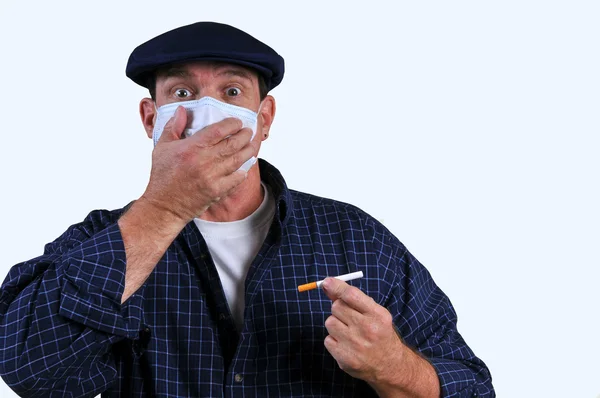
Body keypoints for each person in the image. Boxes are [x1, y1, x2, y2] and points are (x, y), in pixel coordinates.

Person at [0, 22, 494, 397]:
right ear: (151, 119)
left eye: (231, 92)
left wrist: (392, 366)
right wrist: (166, 206)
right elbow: (28, 367)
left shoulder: (353, 236)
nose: (209, 112)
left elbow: (472, 386)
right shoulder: (99, 242)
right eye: (183, 93)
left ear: (264, 118)